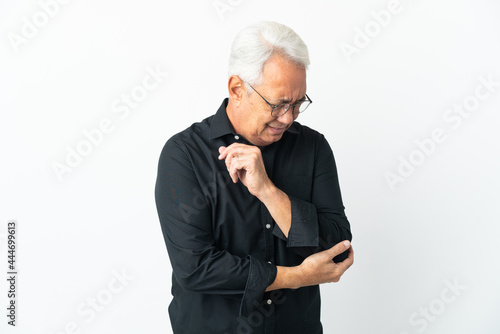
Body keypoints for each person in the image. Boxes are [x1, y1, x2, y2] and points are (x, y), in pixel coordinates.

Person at [155, 21, 354, 334]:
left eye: (298, 103)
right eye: (278, 104)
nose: (288, 118)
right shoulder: (184, 154)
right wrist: (298, 276)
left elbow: (336, 249)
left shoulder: (313, 148)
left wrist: (268, 192)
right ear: (237, 89)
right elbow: (195, 268)